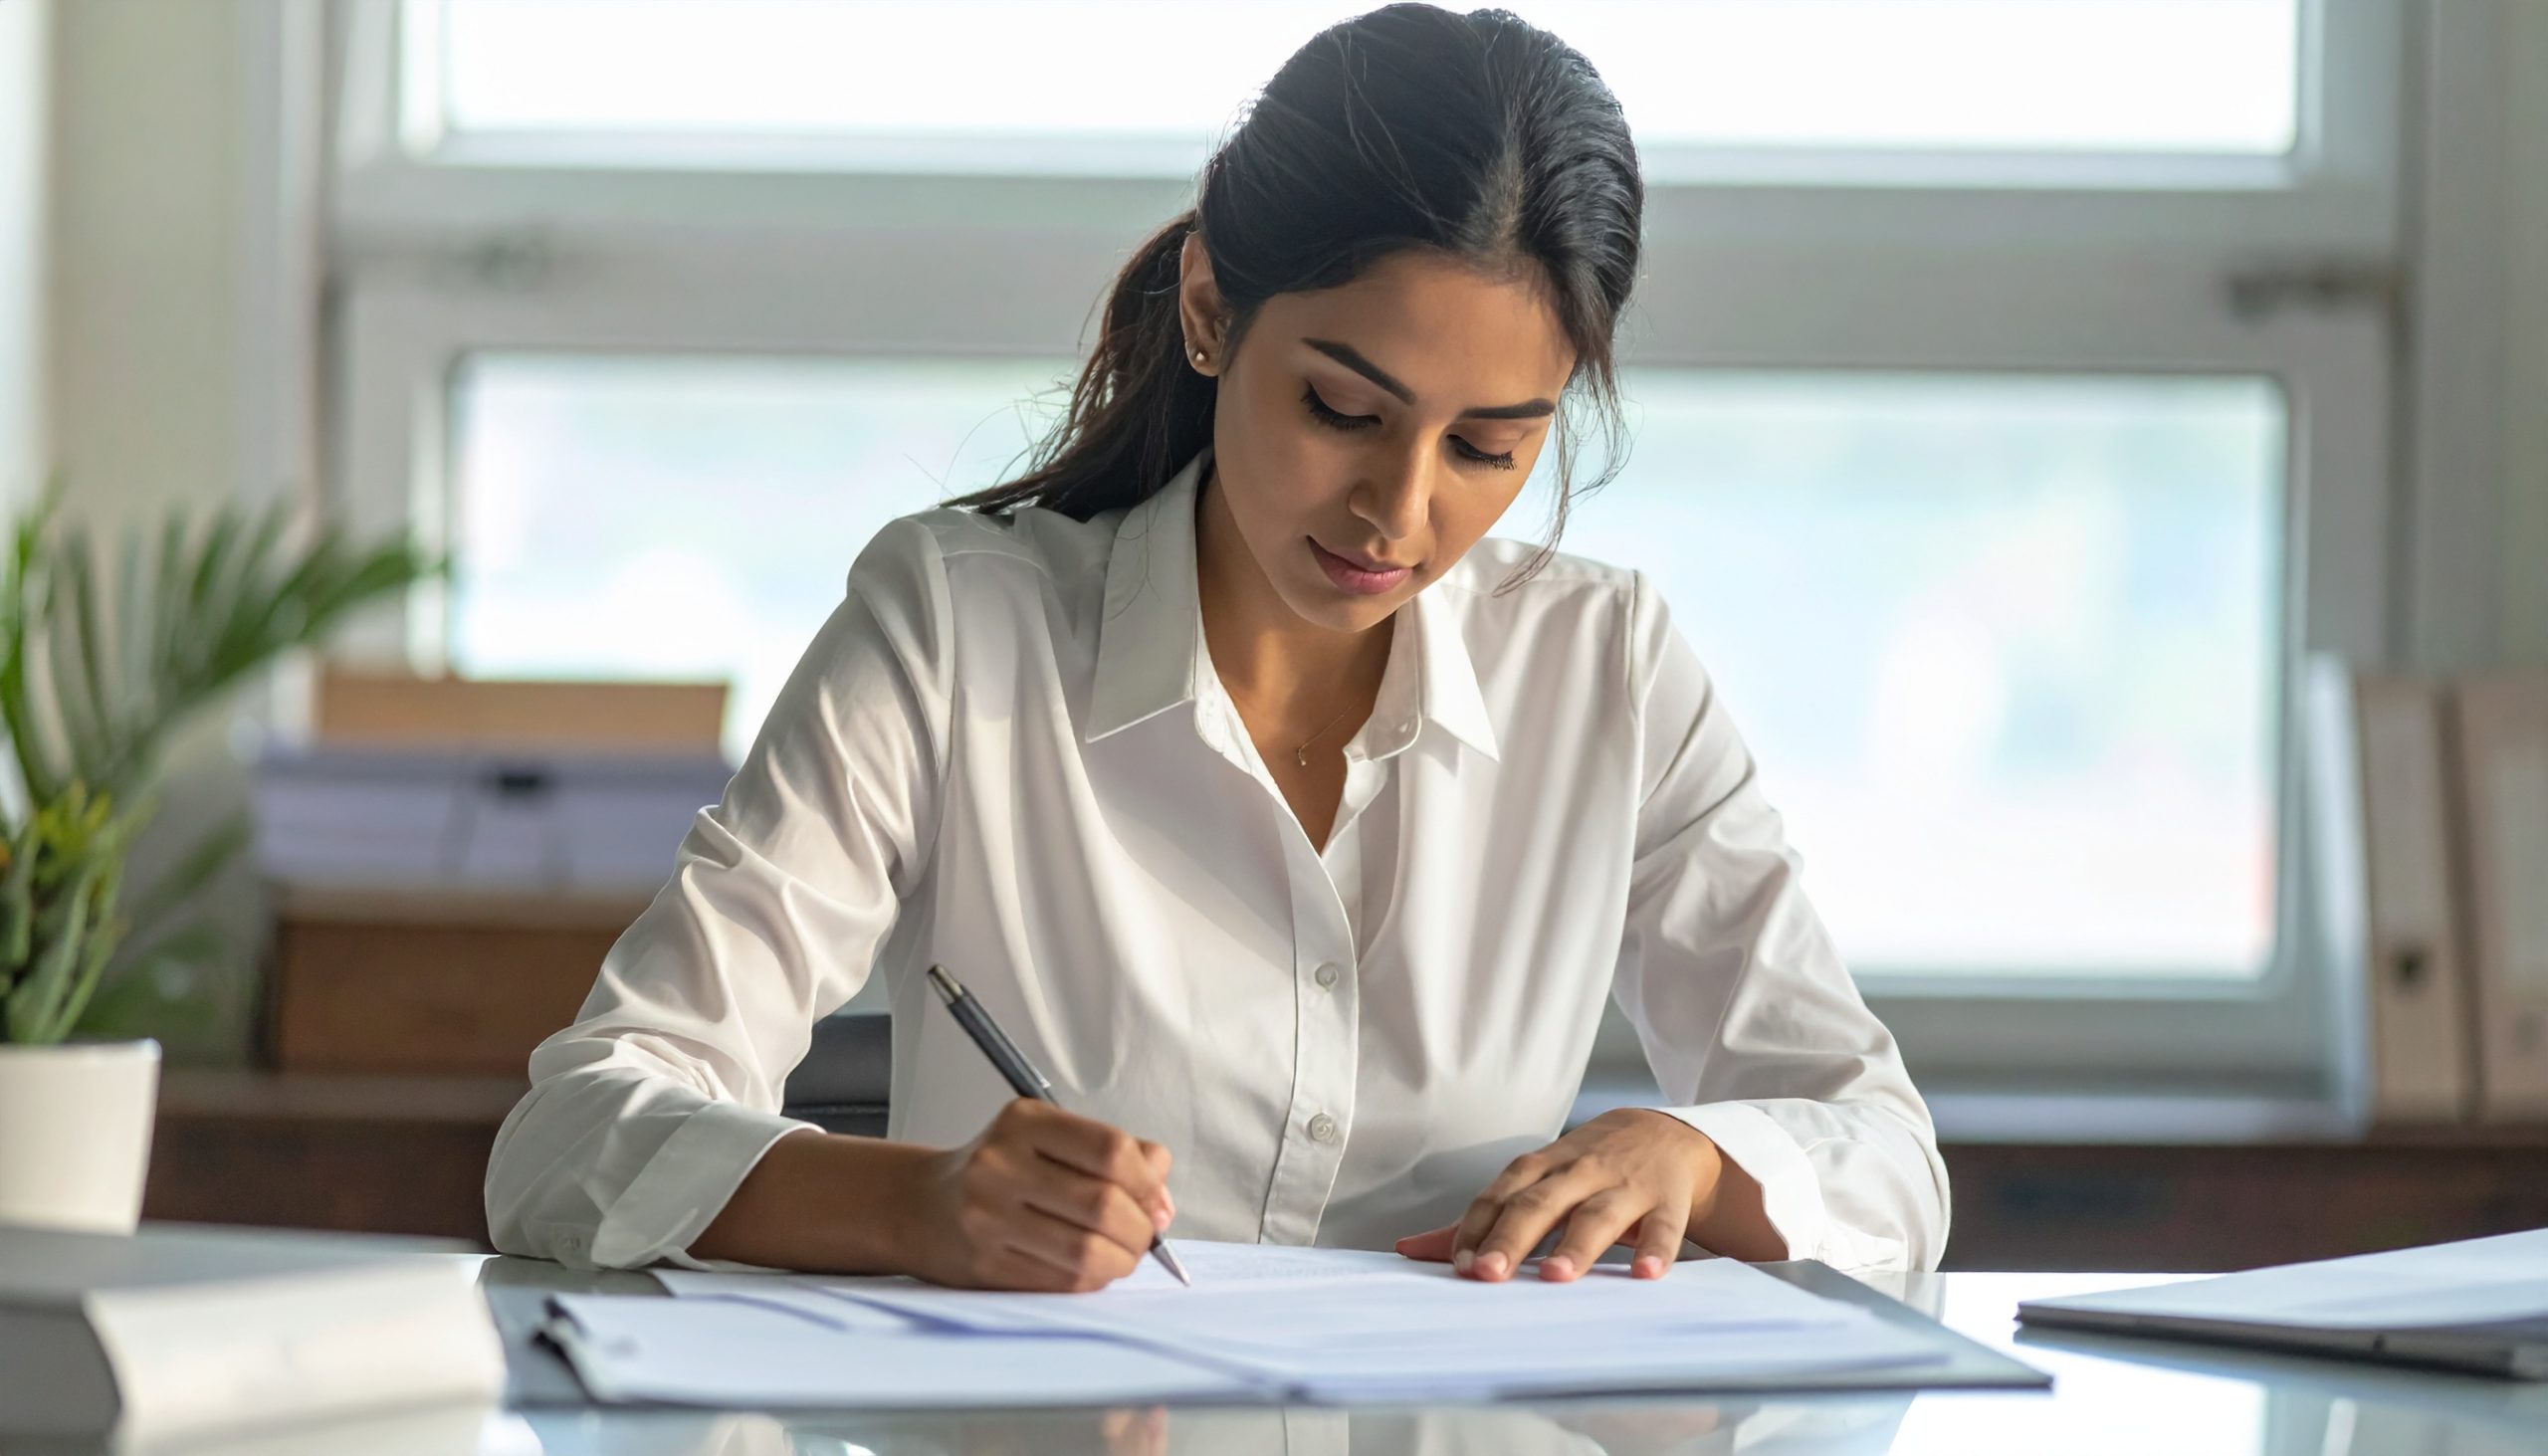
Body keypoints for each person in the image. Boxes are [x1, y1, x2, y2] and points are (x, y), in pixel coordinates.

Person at [485, 2, 1948, 1292]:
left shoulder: (1606, 667)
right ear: (1209, 307)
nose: (1402, 509)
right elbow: (572, 1136)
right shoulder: (954, 627)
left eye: (1490, 447)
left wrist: (1692, 1154)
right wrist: (917, 1203)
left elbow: (1886, 1159)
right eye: (1342, 410)